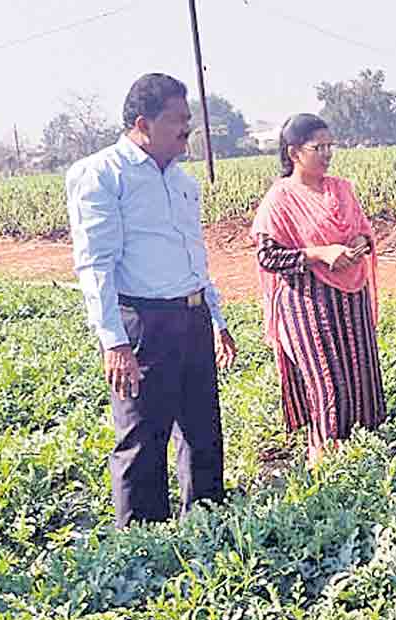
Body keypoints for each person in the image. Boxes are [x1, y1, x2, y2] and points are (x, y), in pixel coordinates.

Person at [66, 73, 237, 528]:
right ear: (142, 123)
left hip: (191, 316)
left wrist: (216, 318)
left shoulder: (183, 181)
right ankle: (144, 547)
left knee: (202, 433)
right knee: (142, 439)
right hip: (144, 323)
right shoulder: (103, 175)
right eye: (177, 120)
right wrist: (113, 342)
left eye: (188, 119)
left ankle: (206, 526)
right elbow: (95, 264)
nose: (187, 129)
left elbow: (194, 256)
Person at [250, 114, 386, 466]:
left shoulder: (341, 189)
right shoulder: (280, 198)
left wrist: (356, 243)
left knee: (360, 378)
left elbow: (363, 233)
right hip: (309, 305)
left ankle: (359, 456)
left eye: (330, 146)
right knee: (327, 381)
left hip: (350, 299)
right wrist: (318, 254)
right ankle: (322, 457)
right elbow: (268, 255)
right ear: (294, 153)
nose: (327, 154)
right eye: (318, 147)